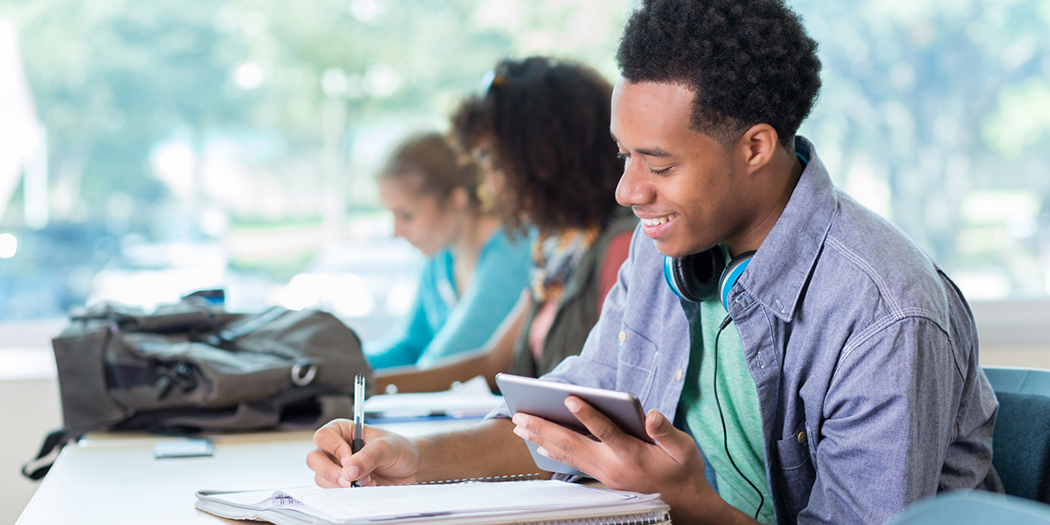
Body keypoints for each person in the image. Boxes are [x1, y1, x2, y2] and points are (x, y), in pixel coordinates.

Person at [309, 1, 1002, 524]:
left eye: (660, 164)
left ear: (755, 147)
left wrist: (684, 499)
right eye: (624, 154)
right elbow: (568, 423)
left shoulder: (883, 311)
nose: (627, 191)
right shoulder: (664, 247)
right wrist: (412, 458)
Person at [372, 56, 636, 393]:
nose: (491, 186)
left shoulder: (619, 246)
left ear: (544, 162)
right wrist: (361, 388)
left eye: (496, 166)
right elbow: (492, 361)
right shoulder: (557, 251)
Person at [364, 132, 532, 370]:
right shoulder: (438, 258)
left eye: (406, 216)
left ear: (456, 199)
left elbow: (448, 359)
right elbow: (410, 346)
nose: (396, 232)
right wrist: (336, 366)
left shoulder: (514, 249)